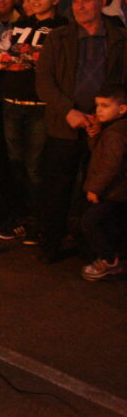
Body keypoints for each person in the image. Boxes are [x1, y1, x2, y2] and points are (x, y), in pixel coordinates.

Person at [35, 0, 127, 262]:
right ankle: (50, 244)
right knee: (56, 187)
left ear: (102, 2)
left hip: (103, 129)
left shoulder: (118, 40)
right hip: (65, 125)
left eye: (87, 1)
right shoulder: (59, 37)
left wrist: (108, 119)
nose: (80, 7)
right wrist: (68, 111)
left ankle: (92, 247)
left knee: (97, 190)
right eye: (75, 1)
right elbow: (44, 81)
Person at [0, 0, 68, 244]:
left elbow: (43, 61)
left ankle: (37, 220)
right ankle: (18, 217)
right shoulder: (20, 24)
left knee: (36, 168)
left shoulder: (61, 28)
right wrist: (21, 57)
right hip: (12, 103)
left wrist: (19, 57)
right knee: (16, 166)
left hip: (40, 107)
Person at [79, 84, 127, 280]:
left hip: (112, 191)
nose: (99, 110)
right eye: (97, 105)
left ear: (122, 109)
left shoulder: (116, 134)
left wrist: (94, 189)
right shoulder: (114, 130)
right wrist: (96, 135)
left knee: (90, 222)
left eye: (105, 106)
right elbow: (101, 153)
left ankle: (109, 261)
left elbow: (110, 164)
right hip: (116, 190)